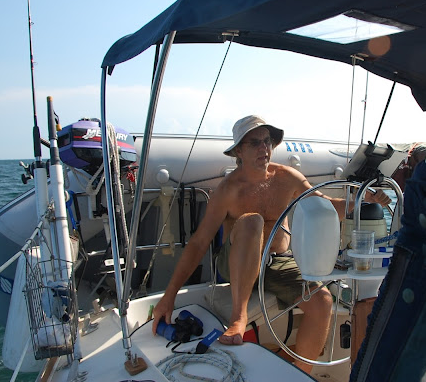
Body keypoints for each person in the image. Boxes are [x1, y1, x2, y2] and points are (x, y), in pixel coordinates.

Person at [151, 115, 391, 373]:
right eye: (255, 142)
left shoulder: (287, 177)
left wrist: (364, 200)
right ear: (239, 151)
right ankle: (239, 318)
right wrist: (169, 296)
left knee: (322, 301)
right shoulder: (227, 190)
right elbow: (199, 242)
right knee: (252, 221)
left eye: (267, 141)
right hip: (235, 264)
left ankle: (300, 374)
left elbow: (327, 206)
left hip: (277, 264)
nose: (264, 148)